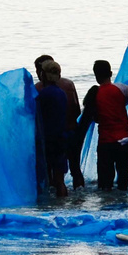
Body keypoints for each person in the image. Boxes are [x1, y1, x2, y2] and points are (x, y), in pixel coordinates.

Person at [81, 60, 128, 191]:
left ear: (95, 76)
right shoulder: (122, 88)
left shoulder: (94, 94)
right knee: (123, 179)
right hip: (124, 139)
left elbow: (95, 118)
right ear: (111, 73)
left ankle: (107, 205)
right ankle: (123, 203)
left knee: (105, 183)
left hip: (106, 142)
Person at [35, 54, 85, 188]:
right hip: (72, 131)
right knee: (75, 169)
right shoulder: (68, 84)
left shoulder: (39, 89)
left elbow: (36, 116)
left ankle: (55, 202)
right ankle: (79, 200)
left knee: (51, 172)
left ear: (41, 71)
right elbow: (76, 110)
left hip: (52, 137)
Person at [35, 61, 71, 197]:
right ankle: (61, 204)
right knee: (59, 178)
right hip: (61, 137)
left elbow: (37, 115)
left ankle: (52, 206)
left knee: (49, 177)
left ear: (44, 75)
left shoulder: (44, 94)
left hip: (49, 139)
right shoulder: (61, 93)